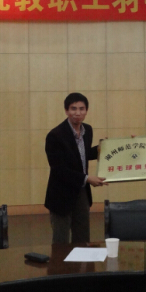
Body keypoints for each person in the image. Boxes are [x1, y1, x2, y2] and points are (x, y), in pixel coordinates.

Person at [44, 93, 107, 244]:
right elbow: (59, 169)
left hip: (81, 192)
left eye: (81, 109)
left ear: (86, 111)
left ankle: (82, 260)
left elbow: (83, 154)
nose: (77, 113)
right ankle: (61, 262)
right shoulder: (55, 135)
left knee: (83, 238)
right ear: (66, 111)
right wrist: (87, 178)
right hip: (61, 195)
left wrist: (106, 147)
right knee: (61, 241)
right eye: (73, 109)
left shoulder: (87, 130)